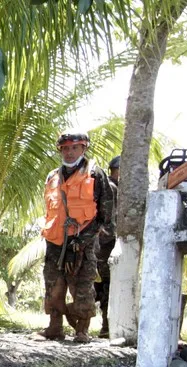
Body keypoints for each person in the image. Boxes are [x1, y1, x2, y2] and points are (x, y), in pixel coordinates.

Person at [38, 131, 114, 343]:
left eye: (74, 148)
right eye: (65, 148)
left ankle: (82, 330)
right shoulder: (53, 177)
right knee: (53, 286)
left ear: (83, 149)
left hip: (83, 242)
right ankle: (54, 328)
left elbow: (105, 215)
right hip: (55, 242)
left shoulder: (96, 175)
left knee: (82, 287)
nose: (69, 152)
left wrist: (81, 241)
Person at [94, 155, 120, 338]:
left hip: (106, 242)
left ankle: (106, 326)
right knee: (106, 285)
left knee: (105, 285)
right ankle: (106, 326)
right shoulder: (111, 188)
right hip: (105, 244)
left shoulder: (112, 187)